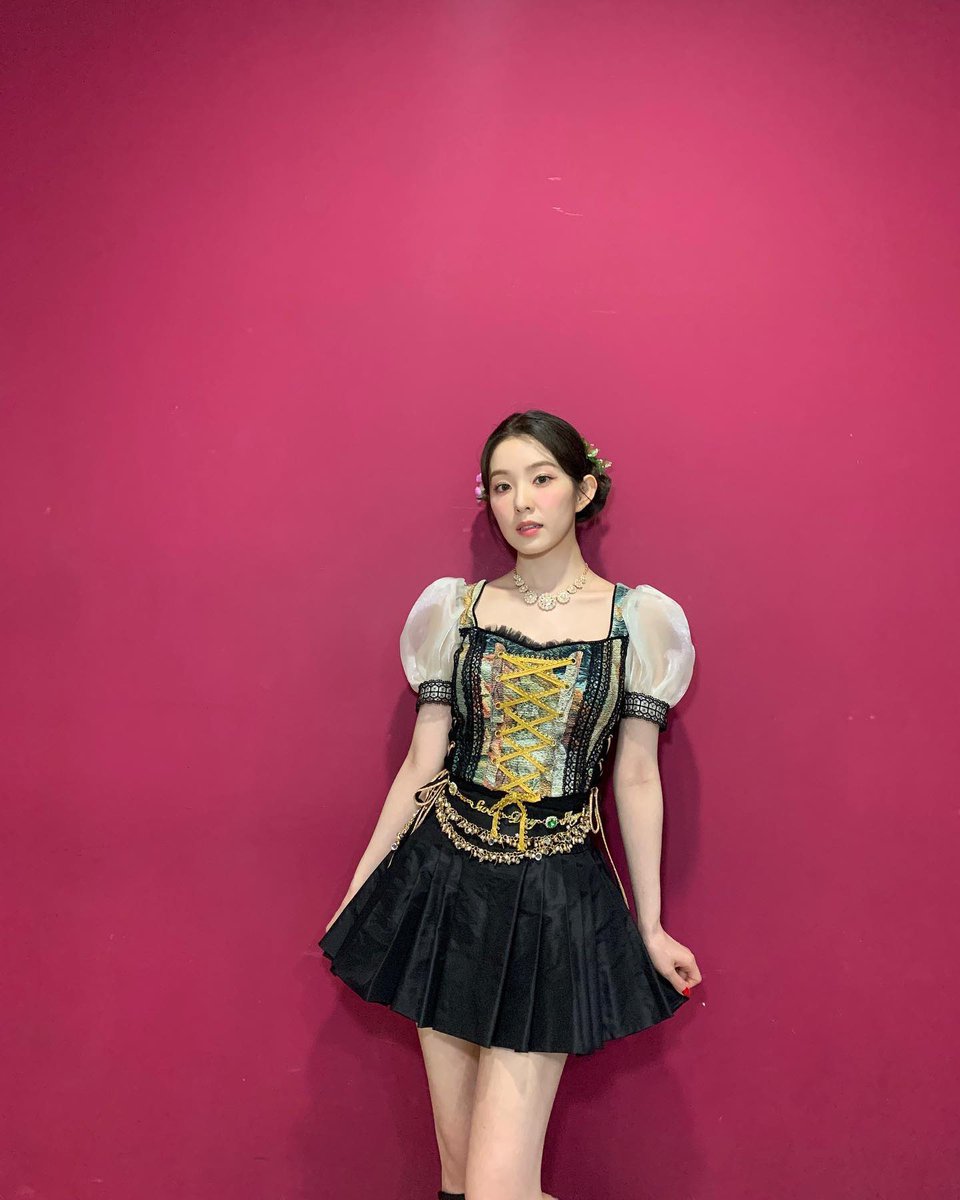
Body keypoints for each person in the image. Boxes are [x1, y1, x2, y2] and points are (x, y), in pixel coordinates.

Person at [319, 409, 702, 1200]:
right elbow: (423, 760)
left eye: (541, 479)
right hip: (443, 887)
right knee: (460, 1180)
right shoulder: (455, 612)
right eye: (501, 485)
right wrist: (361, 889)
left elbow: (635, 777)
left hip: (555, 900)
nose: (521, 501)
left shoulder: (637, 622)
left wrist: (651, 924)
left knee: (498, 1188)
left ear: (582, 490)